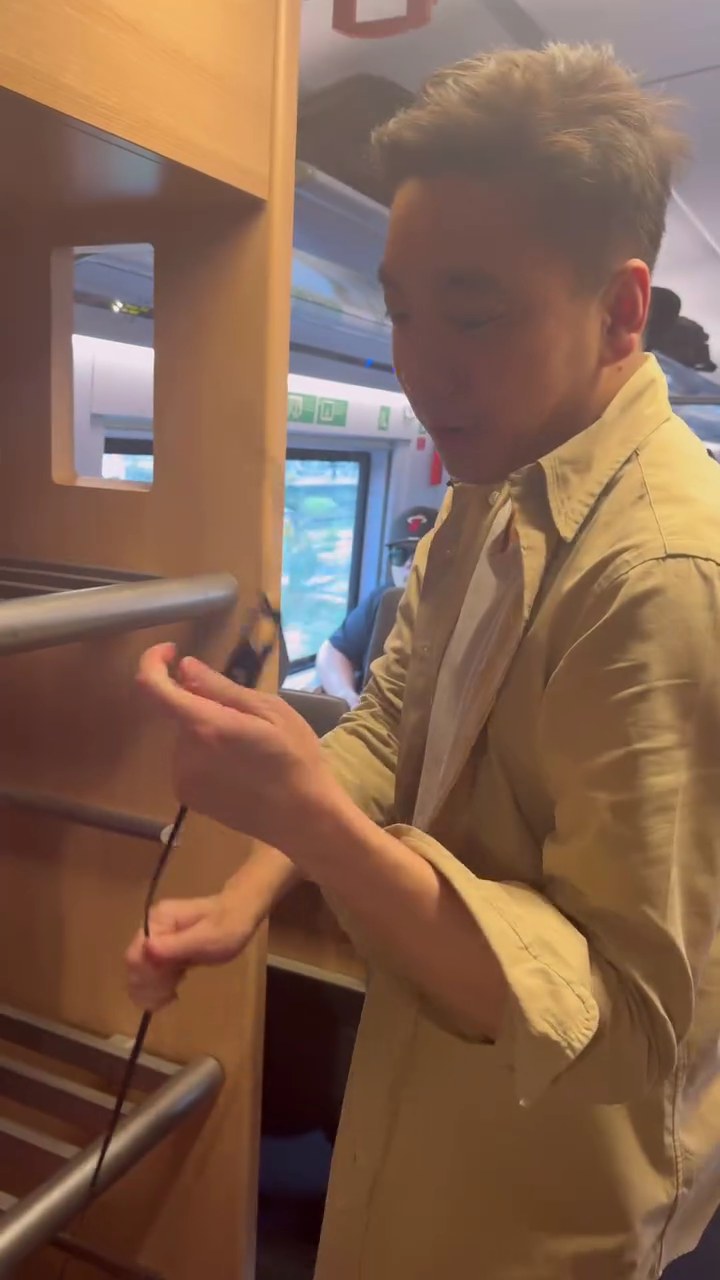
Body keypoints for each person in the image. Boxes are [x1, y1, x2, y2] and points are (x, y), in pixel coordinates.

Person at [126, 44, 720, 1280]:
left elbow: (621, 1027)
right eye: (399, 311)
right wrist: (247, 891)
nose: (420, 365)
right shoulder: (494, 484)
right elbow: (393, 717)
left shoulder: (659, 574)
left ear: (621, 311)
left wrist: (311, 819)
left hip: (548, 1200)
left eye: (474, 314)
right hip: (424, 1117)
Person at [315, 505, 439, 708]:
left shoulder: (461, 611)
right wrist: (347, 697)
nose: (409, 564)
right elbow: (332, 652)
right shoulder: (383, 600)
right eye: (399, 554)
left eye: (421, 553)